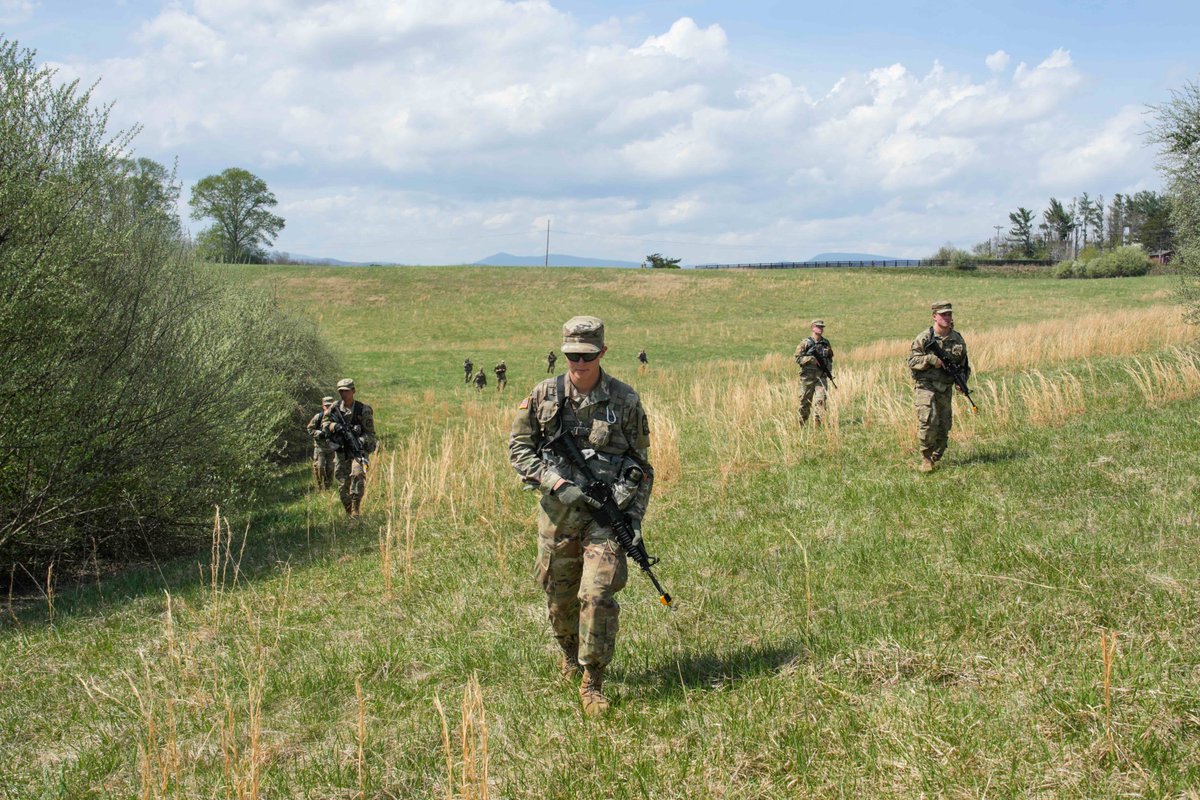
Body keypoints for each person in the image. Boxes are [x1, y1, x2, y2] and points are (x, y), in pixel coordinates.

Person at [510, 316, 654, 716]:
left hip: (606, 520)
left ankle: (593, 680)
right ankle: (569, 656)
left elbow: (642, 466)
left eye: (587, 356)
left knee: (597, 594)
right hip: (558, 518)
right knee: (560, 598)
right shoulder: (543, 395)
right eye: (572, 355)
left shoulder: (625, 401)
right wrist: (556, 483)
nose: (579, 363)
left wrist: (634, 521)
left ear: (603, 352)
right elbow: (519, 449)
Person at [908, 301, 970, 472]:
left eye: (949, 314)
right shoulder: (924, 338)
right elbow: (912, 361)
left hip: (945, 387)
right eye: (943, 315)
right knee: (928, 420)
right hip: (926, 385)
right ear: (934, 316)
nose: (947, 318)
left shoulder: (957, 339)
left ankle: (937, 453)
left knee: (943, 424)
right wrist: (930, 360)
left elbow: (963, 365)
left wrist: (962, 381)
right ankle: (926, 458)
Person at [322, 378, 377, 516]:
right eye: (341, 391)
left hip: (358, 450)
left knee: (358, 474)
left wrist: (360, 440)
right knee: (342, 483)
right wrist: (335, 426)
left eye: (346, 391)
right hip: (341, 450)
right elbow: (324, 424)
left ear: (353, 391)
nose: (343, 394)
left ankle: (355, 509)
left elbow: (370, 434)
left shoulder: (363, 410)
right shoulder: (334, 408)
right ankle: (349, 511)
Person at [793, 319, 834, 426]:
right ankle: (801, 424)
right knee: (804, 402)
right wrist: (810, 359)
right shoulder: (805, 343)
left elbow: (830, 358)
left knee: (821, 400)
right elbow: (797, 359)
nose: (820, 329)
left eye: (822, 327)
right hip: (807, 378)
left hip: (821, 376)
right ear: (812, 327)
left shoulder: (826, 343)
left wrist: (828, 370)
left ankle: (818, 424)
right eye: (818, 326)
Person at [306, 395, 337, 490]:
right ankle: (319, 486)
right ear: (323, 406)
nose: (328, 408)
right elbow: (309, 428)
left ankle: (328, 486)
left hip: (331, 447)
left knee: (330, 468)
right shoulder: (318, 417)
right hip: (320, 447)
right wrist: (319, 433)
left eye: (330, 406)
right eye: (326, 406)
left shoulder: (336, 417)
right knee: (320, 467)